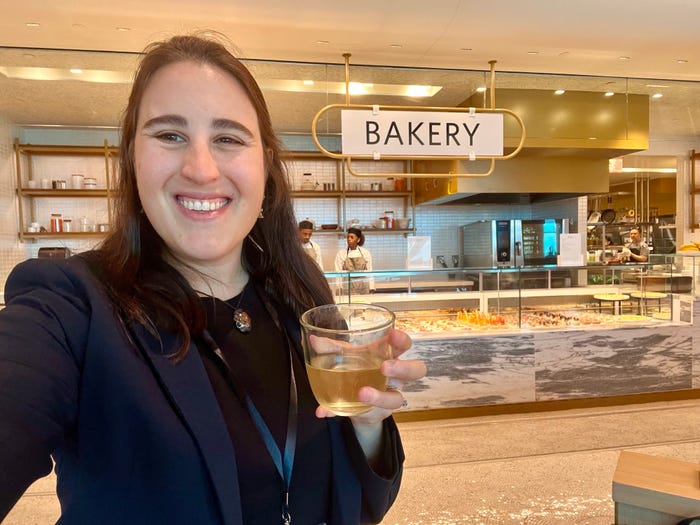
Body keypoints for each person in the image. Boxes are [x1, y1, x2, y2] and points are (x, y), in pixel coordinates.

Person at [0, 33, 426, 524]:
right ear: (133, 158)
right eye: (169, 135)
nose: (201, 170)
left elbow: (358, 505)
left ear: (265, 165)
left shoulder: (297, 288)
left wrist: (367, 422)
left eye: (227, 138)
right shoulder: (71, 306)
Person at [335, 227, 375, 294]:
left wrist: (372, 287)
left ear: (358, 239)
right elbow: (338, 272)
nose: (349, 239)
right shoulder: (341, 253)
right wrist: (338, 287)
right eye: (348, 237)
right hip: (347, 286)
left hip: (363, 286)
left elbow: (369, 271)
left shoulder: (365, 253)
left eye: (352, 237)